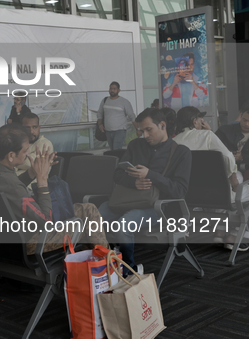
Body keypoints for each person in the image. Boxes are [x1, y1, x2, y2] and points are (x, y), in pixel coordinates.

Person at [0, 124, 108, 253]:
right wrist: (42, 179)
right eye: (25, 150)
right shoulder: (12, 186)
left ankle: (91, 265)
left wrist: (32, 172)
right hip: (29, 241)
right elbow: (46, 222)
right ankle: (109, 266)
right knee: (88, 213)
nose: (28, 154)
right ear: (10, 156)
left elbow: (8, 189)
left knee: (84, 215)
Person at [98, 108, 192, 275]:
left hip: (157, 207)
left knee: (123, 225)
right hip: (126, 199)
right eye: (142, 131)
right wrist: (135, 182)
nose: (145, 135)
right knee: (94, 220)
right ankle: (102, 264)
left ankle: (128, 270)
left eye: (149, 130)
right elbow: (117, 175)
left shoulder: (181, 152)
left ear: (162, 125)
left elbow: (179, 191)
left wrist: (151, 175)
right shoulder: (135, 145)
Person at [173, 106, 249, 249]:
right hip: (220, 195)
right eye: (201, 120)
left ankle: (219, 231)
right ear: (195, 121)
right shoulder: (207, 136)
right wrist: (232, 177)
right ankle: (238, 233)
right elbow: (227, 156)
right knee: (235, 188)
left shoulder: (174, 143)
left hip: (190, 197)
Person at [15, 113, 54, 184]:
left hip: (33, 187)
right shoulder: (19, 142)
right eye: (27, 128)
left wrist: (12, 161)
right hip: (14, 184)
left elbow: (29, 163)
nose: (31, 131)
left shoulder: (45, 143)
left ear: (39, 128)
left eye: (35, 127)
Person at [97, 82, 137, 150]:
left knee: (116, 149)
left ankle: (119, 160)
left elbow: (131, 116)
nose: (112, 90)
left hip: (120, 131)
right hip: (108, 131)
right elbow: (100, 113)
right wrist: (100, 124)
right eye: (111, 88)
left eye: (114, 89)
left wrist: (138, 129)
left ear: (119, 90)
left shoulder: (124, 102)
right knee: (112, 150)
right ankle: (116, 160)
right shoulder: (105, 100)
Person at [216, 102, 249, 176]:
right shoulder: (225, 131)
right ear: (241, 116)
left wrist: (242, 157)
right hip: (226, 167)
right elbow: (214, 148)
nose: (246, 124)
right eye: (244, 120)